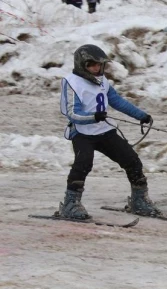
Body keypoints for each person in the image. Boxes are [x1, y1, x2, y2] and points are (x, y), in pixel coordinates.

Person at [58, 44, 160, 219]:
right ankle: (70, 204)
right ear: (82, 65)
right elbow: (72, 113)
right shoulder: (72, 82)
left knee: (132, 160)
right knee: (83, 165)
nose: (97, 68)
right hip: (82, 133)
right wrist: (93, 116)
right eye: (92, 65)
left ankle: (139, 200)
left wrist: (141, 115)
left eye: (100, 65)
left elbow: (117, 101)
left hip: (104, 131)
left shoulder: (102, 80)